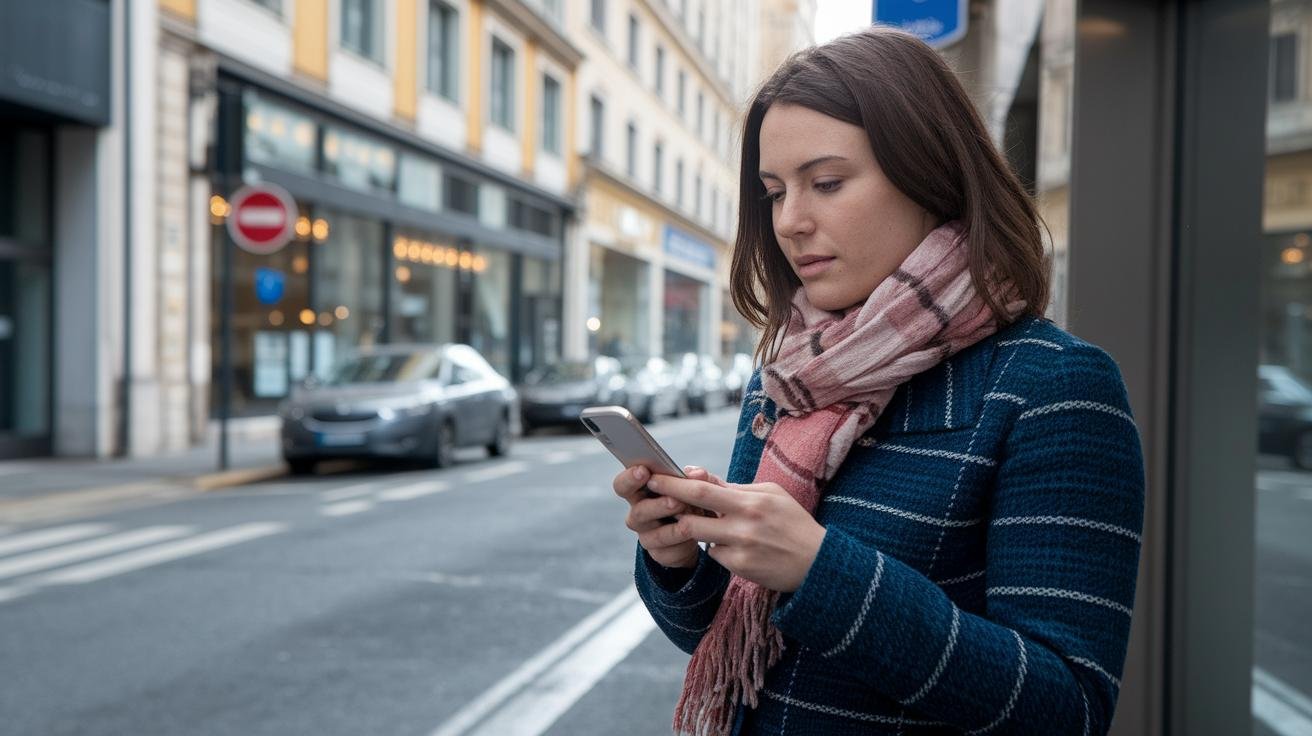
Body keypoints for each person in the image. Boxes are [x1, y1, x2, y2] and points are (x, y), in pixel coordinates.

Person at [612, 26, 1145, 736]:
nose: (790, 222)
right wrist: (677, 559)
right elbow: (736, 649)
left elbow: (1066, 709)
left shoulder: (1054, 386)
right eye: (774, 192)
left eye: (826, 183)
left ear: (930, 173)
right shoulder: (787, 374)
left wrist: (820, 570)